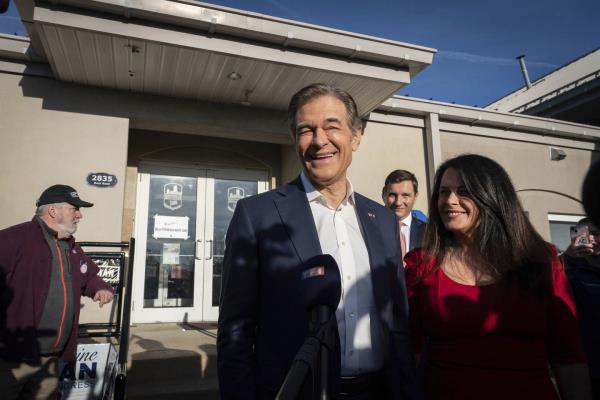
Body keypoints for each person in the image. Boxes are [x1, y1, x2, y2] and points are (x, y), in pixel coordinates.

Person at [217, 83, 418, 399]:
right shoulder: (257, 215)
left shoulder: (382, 220)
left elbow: (397, 322)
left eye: (331, 127)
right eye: (306, 130)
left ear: (355, 136)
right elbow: (235, 330)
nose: (319, 140)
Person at [404, 154, 591, 400]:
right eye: (443, 192)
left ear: (492, 196)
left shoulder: (541, 260)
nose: (450, 201)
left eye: (464, 191)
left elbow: (569, 355)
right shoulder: (422, 264)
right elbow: (409, 351)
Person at [0, 184, 114, 400]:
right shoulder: (13, 239)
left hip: (51, 359)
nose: (80, 215)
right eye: (75, 209)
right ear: (53, 210)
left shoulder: (70, 246)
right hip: (11, 358)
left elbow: (89, 275)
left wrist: (100, 287)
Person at [562, 218, 600, 399]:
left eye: (597, 234)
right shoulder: (567, 269)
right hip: (588, 367)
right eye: (586, 234)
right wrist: (567, 257)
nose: (592, 239)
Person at [382, 170, 426, 262]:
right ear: (384, 195)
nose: (398, 202)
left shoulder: (429, 233)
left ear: (415, 197)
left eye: (405, 195)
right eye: (393, 195)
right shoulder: (372, 229)